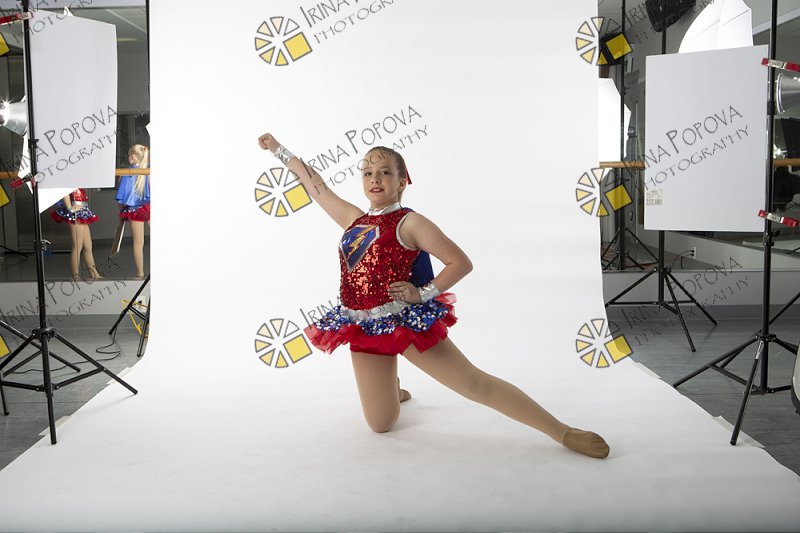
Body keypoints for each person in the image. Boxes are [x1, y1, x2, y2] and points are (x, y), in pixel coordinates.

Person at [257, 133, 610, 459]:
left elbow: (460, 262)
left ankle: (561, 431)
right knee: (380, 425)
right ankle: (393, 389)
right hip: (362, 326)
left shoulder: (409, 223)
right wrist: (278, 149)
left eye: (385, 172)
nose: (375, 179)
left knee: (472, 383)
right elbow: (315, 185)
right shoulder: (353, 219)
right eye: (368, 173)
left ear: (402, 181)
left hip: (405, 324)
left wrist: (422, 293)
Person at [50, 188, 103, 281]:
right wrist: (70, 208)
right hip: (76, 213)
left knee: (88, 246)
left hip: (82, 210)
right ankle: (75, 276)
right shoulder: (70, 180)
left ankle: (94, 273)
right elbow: (65, 191)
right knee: (77, 246)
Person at [116, 144, 150, 278]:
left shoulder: (126, 173)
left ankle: (140, 273)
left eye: (129, 155)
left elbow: (121, 198)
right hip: (148, 208)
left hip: (134, 210)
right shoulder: (147, 172)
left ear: (133, 156)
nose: (127, 157)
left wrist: (121, 213)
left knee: (138, 243)